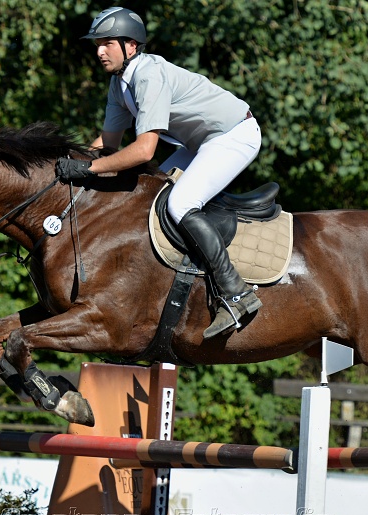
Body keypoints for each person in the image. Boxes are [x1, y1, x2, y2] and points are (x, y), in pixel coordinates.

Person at [55, 6, 263, 339]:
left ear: (131, 46)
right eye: (97, 44)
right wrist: (66, 165)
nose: (99, 51)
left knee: (179, 205)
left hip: (234, 134)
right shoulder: (119, 86)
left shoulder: (147, 74)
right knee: (148, 195)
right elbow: (109, 143)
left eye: (107, 43)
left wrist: (89, 168)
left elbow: (143, 151)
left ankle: (236, 293)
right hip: (200, 142)